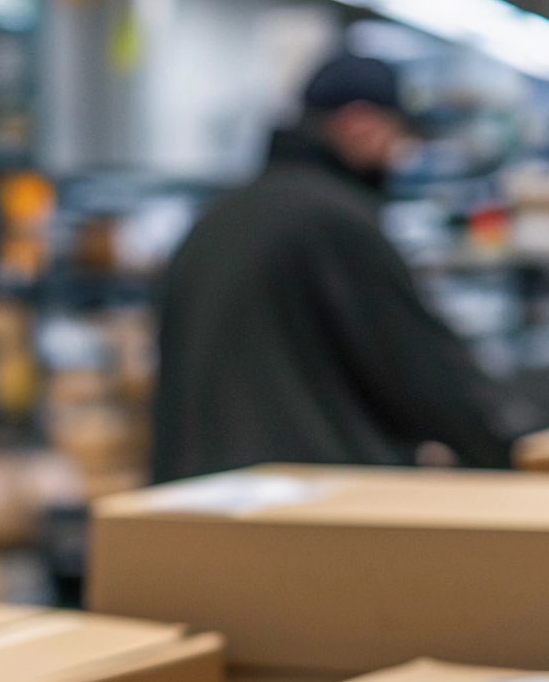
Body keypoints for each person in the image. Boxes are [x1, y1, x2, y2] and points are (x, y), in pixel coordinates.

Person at [149, 53, 523, 481]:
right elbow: (424, 371)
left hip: (197, 497)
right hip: (303, 505)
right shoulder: (334, 222)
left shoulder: (218, 218)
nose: (400, 155)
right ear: (359, 123)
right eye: (398, 135)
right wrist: (518, 450)